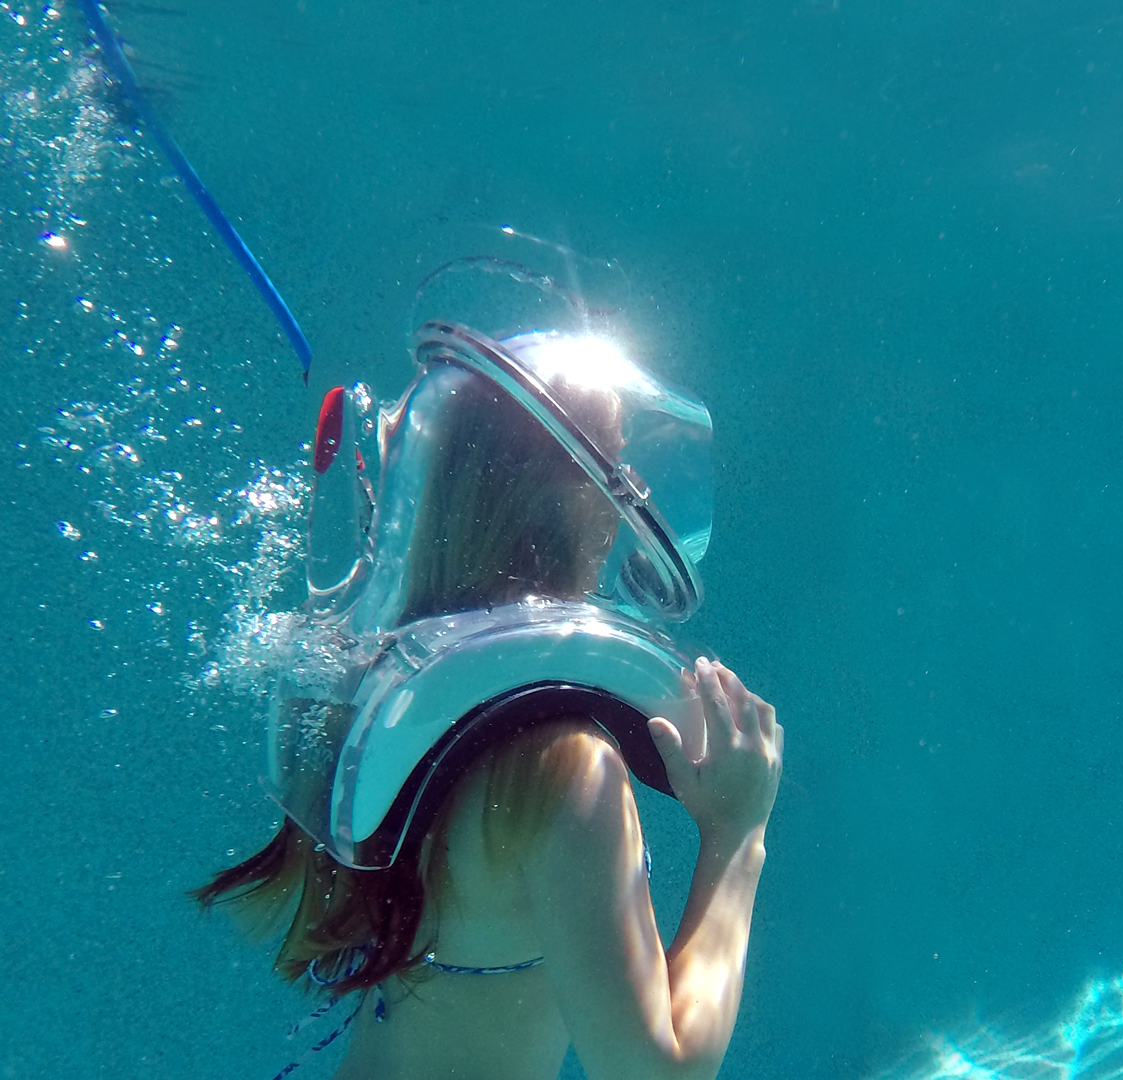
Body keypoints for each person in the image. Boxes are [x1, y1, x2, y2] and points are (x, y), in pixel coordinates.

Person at [196, 325, 783, 1080]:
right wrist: (738, 832)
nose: (632, 491)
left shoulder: (378, 702)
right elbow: (657, 1073)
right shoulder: (570, 768)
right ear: (561, 503)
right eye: (614, 466)